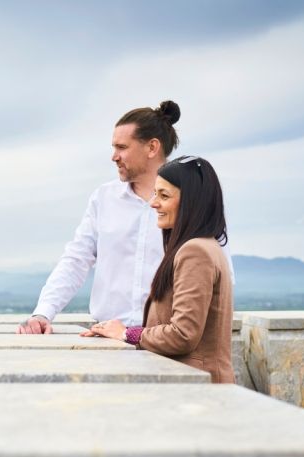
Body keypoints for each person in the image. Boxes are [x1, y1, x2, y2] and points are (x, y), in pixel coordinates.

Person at [17, 101, 181, 334]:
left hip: (166, 341)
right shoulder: (104, 198)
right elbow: (76, 259)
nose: (114, 156)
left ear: (152, 147)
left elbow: (213, 270)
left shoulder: (191, 200)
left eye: (122, 147)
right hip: (107, 339)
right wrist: (44, 312)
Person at [86, 156, 235, 384]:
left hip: (197, 390)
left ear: (191, 202)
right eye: (156, 193)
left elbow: (183, 334)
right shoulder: (205, 246)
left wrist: (126, 333)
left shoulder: (196, 251)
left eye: (164, 196)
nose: (153, 203)